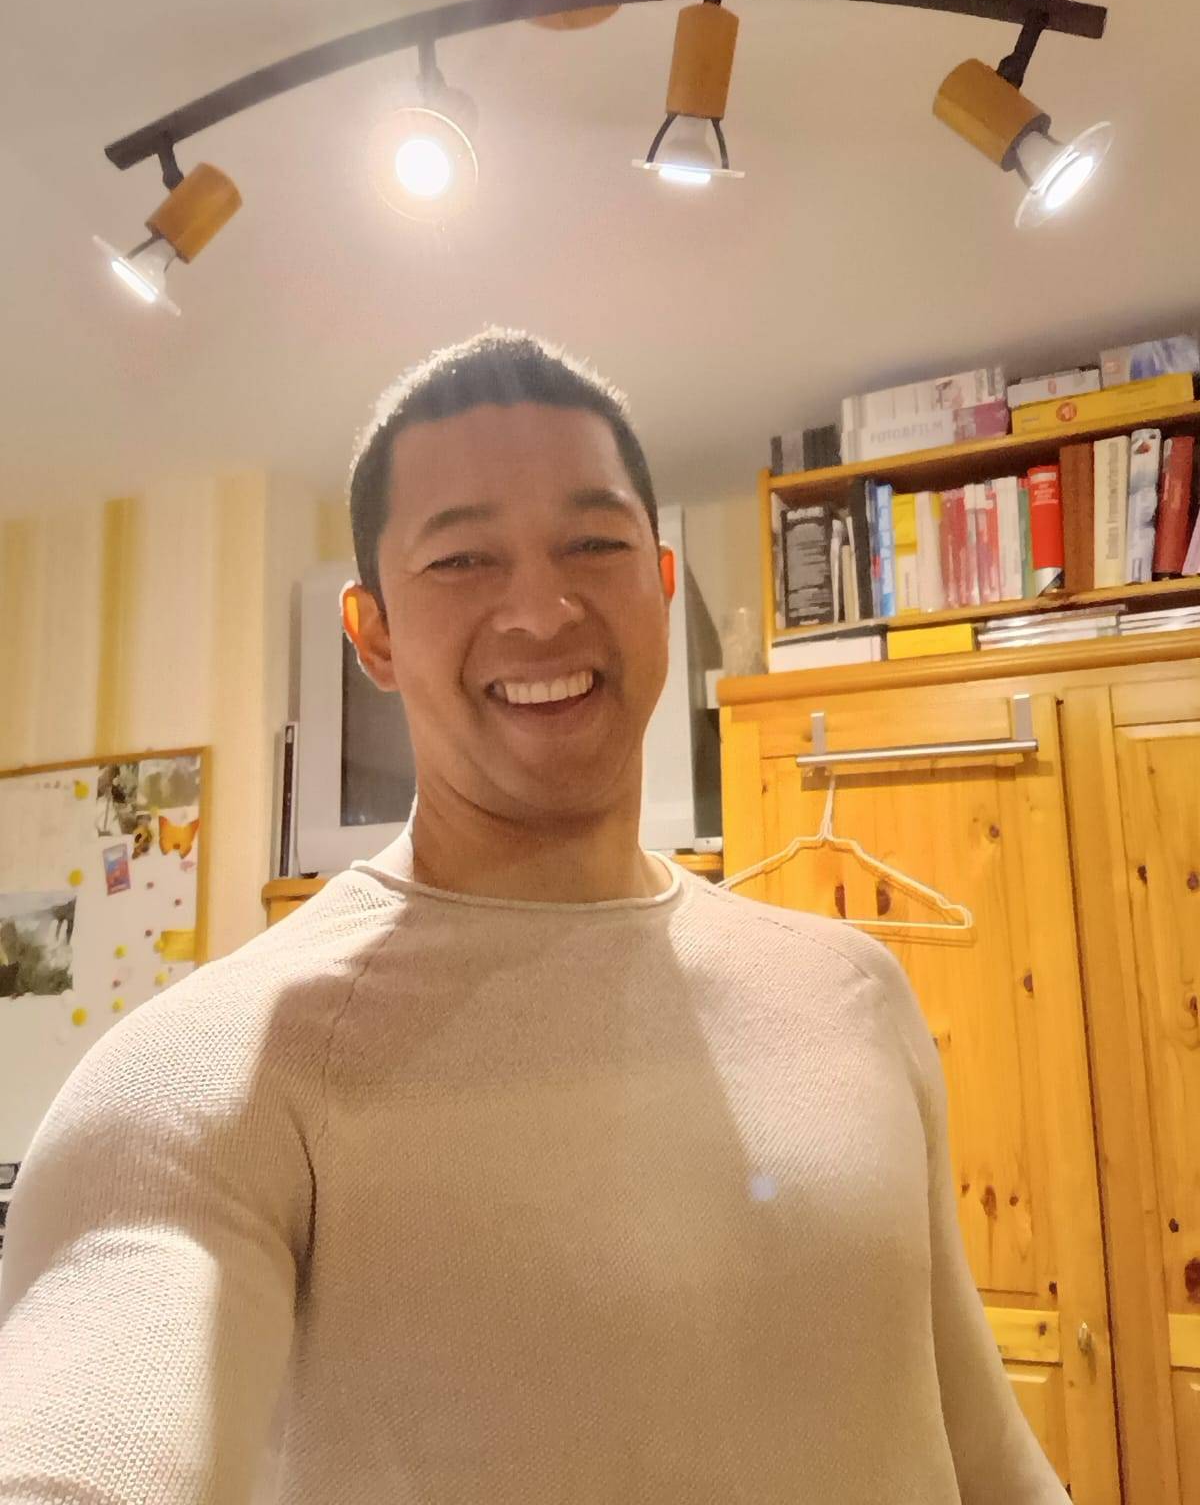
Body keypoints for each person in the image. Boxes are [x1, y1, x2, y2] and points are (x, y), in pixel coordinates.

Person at [0, 330, 1067, 1503]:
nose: (544, 610)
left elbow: (986, 1455)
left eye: (594, 543)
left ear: (662, 583)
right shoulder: (221, 1068)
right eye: (462, 559)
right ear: (375, 634)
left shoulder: (855, 994)